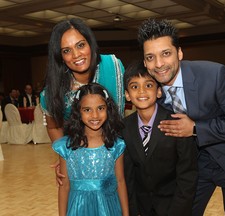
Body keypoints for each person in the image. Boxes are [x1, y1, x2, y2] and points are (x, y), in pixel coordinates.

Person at [137, 18, 225, 216]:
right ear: (144, 61)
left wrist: (195, 128)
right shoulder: (152, 91)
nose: (158, 64)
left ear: (180, 53)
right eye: (150, 57)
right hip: (195, 167)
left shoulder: (214, 74)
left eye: (165, 54)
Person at [122, 60, 198, 215]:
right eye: (135, 86)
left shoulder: (177, 123)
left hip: (174, 206)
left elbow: (187, 174)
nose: (142, 91)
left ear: (158, 91)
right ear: (127, 95)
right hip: (142, 207)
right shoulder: (124, 128)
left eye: (148, 85)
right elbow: (128, 176)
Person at [40, 18, 125, 143]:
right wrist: (64, 155)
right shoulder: (53, 91)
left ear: (90, 44)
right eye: (66, 51)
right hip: (80, 155)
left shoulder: (112, 66)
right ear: (60, 56)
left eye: (80, 45)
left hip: (119, 149)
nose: (76, 55)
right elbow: (53, 127)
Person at [52, 83, 129, 216]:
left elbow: (120, 181)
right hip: (78, 208)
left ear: (108, 109)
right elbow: (64, 186)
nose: (95, 115)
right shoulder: (67, 146)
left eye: (100, 108)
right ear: (78, 112)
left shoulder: (116, 145)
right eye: (87, 110)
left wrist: (126, 214)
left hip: (108, 208)